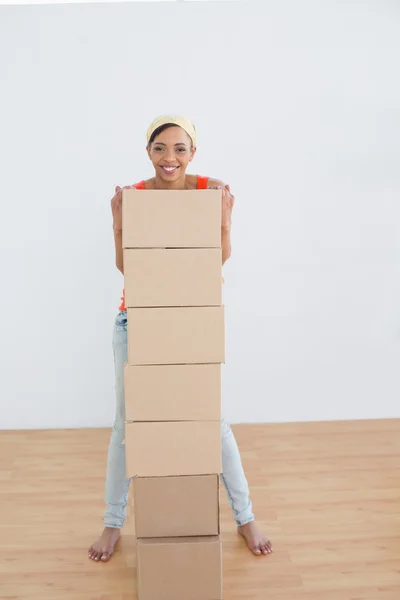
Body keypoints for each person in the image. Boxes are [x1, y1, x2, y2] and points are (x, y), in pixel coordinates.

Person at [88, 115, 273, 562]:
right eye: (159, 148)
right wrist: (117, 226)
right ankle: (113, 524)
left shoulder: (209, 190)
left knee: (214, 422)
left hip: (191, 322)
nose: (169, 158)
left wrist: (226, 223)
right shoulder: (135, 197)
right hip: (137, 323)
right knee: (125, 426)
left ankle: (245, 517)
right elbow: (129, 269)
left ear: (193, 152)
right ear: (147, 152)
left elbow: (213, 263)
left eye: (180, 148)